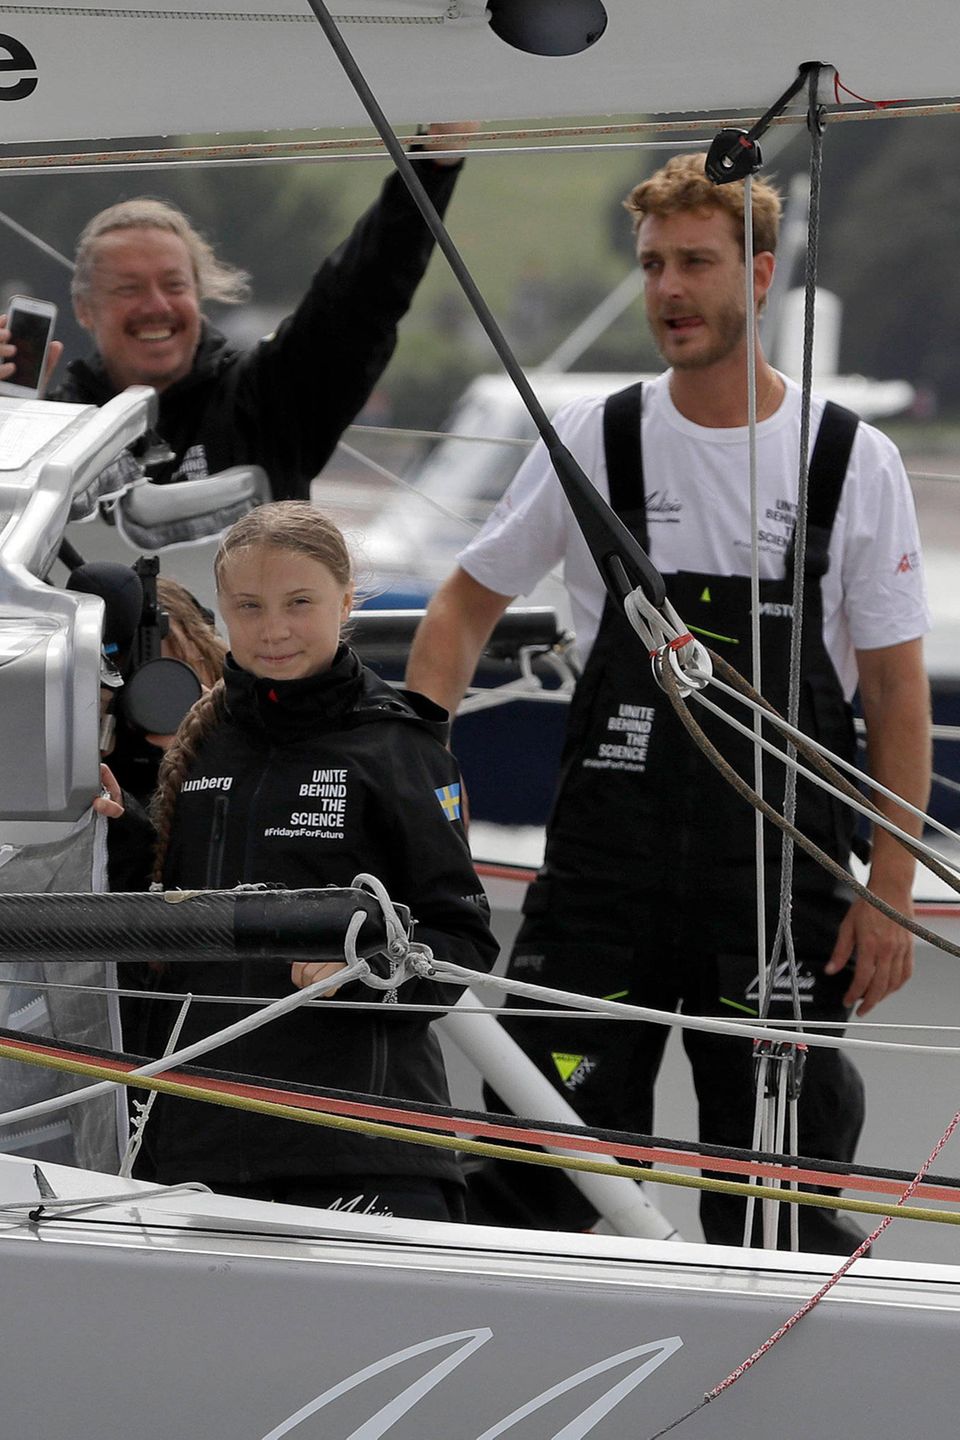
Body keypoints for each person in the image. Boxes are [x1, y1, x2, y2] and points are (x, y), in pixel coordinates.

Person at [404, 152, 932, 1252]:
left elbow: (892, 688)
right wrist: (417, 770)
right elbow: (460, 606)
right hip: (605, 876)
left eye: (695, 263)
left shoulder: (852, 460)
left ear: (761, 275)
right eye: (651, 265)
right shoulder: (600, 436)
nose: (669, 291)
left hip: (783, 884)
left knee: (776, 1207)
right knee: (540, 1179)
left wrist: (889, 888)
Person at [122, 500, 497, 1221]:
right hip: (198, 1147)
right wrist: (116, 835)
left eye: (300, 603)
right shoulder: (198, 749)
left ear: (345, 601)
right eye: (249, 606)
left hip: (364, 1146)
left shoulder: (400, 748)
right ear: (224, 608)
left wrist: (369, 967)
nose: (274, 629)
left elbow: (462, 939)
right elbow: (149, 943)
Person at [0, 124, 470, 517]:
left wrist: (432, 165)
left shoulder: (271, 397)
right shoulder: (53, 431)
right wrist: (14, 422)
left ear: (200, 295)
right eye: (128, 288)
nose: (157, 305)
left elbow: (360, 296)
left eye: (175, 285)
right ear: (85, 310)